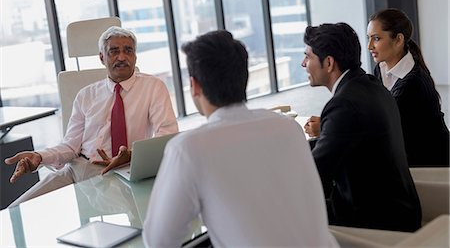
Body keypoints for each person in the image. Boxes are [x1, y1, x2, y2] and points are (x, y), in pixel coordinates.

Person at [143, 30, 338, 247]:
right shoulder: (288, 127)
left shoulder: (189, 149)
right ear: (244, 77)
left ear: (194, 85)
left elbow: (159, 241)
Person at [5, 26, 178, 207]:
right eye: (113, 51)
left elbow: (166, 136)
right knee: (17, 209)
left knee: (132, 212)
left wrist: (133, 156)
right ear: (102, 57)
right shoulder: (85, 95)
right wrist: (40, 157)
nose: (121, 57)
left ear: (135, 56)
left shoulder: (154, 87)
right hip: (77, 169)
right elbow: (70, 146)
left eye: (128, 51)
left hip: (125, 171)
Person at [301, 22, 421, 232]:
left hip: (376, 222)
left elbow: (316, 176)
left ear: (329, 63)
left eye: (308, 56)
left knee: (285, 213)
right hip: (401, 210)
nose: (303, 64)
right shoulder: (372, 85)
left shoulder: (343, 104)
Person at [368, 8, 449, 167]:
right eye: (369, 38)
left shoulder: (413, 84)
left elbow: (382, 127)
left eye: (376, 38)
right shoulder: (381, 68)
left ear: (398, 40)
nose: (370, 45)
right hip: (408, 158)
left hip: (432, 165)